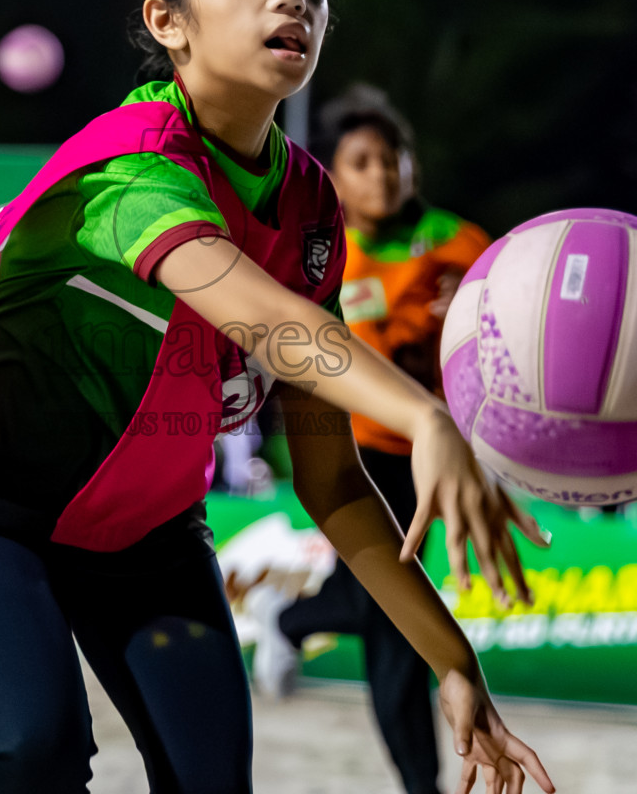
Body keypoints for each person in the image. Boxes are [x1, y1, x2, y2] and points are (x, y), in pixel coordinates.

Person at [0, 0, 553, 794]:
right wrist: (426, 417)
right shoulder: (131, 164)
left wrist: (454, 662)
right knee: (39, 745)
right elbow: (267, 321)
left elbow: (330, 478)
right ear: (168, 21)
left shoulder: (309, 206)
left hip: (148, 537)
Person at [248, 86, 494, 794]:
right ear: (334, 173)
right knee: (392, 619)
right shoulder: (320, 248)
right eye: (362, 162)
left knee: (395, 619)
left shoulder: (458, 243)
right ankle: (421, 784)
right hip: (356, 451)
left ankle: (295, 616)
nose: (382, 175)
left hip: (436, 453)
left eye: (393, 160)